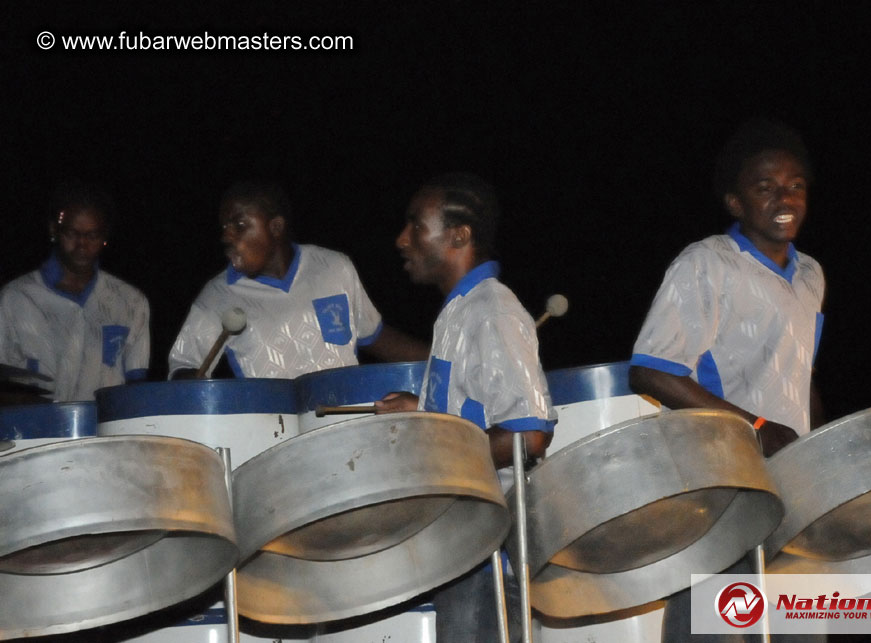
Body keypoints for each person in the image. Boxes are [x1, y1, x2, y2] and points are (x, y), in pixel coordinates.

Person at [630, 119, 825, 642]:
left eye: (795, 185)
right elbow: (652, 366)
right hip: (720, 483)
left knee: (797, 630)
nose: (783, 197)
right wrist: (756, 425)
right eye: (764, 187)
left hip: (790, 481)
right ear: (736, 203)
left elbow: (801, 373)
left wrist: (822, 455)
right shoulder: (707, 263)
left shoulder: (811, 275)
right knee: (712, 629)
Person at [375, 173, 556, 643]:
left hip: (493, 554)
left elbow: (526, 436)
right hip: (469, 546)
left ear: (459, 235)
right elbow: (473, 418)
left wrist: (441, 446)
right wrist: (425, 412)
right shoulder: (460, 312)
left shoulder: (491, 311)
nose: (402, 239)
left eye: (416, 226)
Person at [168, 181, 426, 379]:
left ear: (276, 227)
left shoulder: (333, 267)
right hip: (274, 433)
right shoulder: (218, 296)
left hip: (345, 423)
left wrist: (440, 357)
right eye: (224, 227)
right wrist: (192, 383)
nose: (227, 236)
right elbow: (183, 366)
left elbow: (374, 336)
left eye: (239, 224)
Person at [0, 181, 150, 401]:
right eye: (72, 233)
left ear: (105, 237)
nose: (82, 244)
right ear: (54, 230)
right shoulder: (16, 298)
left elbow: (136, 386)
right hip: (37, 430)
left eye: (92, 236)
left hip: (104, 431)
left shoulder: (130, 302)